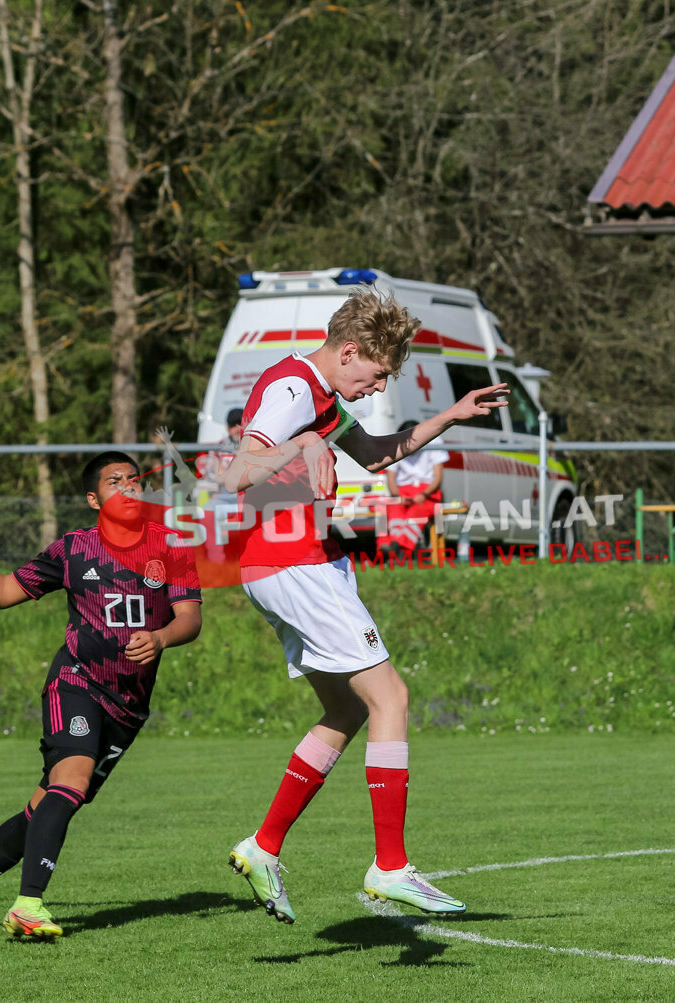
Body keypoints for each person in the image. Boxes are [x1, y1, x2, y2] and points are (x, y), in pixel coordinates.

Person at [219, 288, 508, 923]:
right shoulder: (295, 387)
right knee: (392, 699)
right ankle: (390, 865)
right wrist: (305, 446)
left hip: (297, 562)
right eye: (376, 374)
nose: (377, 388)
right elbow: (236, 471)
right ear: (349, 351)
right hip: (293, 562)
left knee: (347, 708)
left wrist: (450, 417)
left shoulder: (320, 395)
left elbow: (378, 456)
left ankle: (263, 847)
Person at [0, 451, 202, 940]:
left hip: (128, 707)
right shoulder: (74, 549)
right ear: (95, 499)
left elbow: (190, 618)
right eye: (117, 482)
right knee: (70, 781)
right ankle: (29, 905)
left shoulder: (172, 545)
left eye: (136, 480)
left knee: (44, 808)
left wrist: (160, 638)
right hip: (75, 682)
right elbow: (5, 592)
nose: (131, 488)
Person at [376, 421, 449, 559]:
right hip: (402, 491)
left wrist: (424, 494)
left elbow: (438, 478)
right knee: (390, 508)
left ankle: (396, 547)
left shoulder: (435, 441)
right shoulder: (395, 444)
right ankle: (394, 548)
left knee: (416, 512)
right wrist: (397, 496)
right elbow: (390, 478)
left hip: (428, 491)